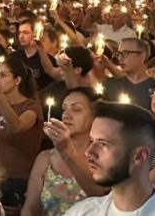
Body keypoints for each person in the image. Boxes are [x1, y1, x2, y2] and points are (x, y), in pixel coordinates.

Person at [57, 101, 155, 216]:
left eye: (103, 144)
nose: (89, 152)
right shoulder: (83, 211)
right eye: (92, 141)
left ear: (139, 156)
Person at [21, 87, 99, 216]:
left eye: (76, 109)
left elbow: (100, 196)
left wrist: (66, 150)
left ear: (95, 116)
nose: (66, 115)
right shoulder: (45, 159)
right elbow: (30, 209)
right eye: (64, 109)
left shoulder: (101, 159)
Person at [0, 56, 42, 207]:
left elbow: (17, 127)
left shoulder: (32, 107)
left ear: (17, 80)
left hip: (20, 180)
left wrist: (0, 96)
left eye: (3, 75)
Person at [104, 38, 155, 110]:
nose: (120, 58)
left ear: (142, 56)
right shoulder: (111, 84)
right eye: (118, 54)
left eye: (125, 53)